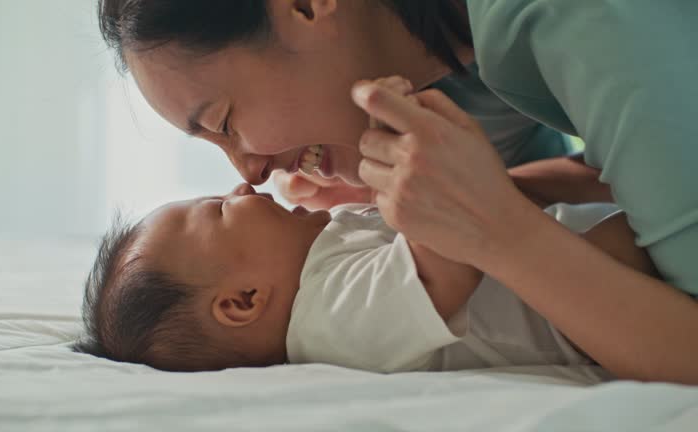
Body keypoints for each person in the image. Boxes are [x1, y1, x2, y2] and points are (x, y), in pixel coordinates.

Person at [95, 0, 698, 383]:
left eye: (225, 122)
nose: (250, 175)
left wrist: (490, 225)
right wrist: (445, 201)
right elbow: (591, 182)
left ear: (305, 6)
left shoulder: (577, 20)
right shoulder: (464, 71)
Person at [74, 183, 655, 374]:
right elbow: (439, 273)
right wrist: (409, 166)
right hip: (590, 310)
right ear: (244, 301)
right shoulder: (326, 324)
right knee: (628, 238)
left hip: (577, 258)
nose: (243, 188)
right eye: (220, 209)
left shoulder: (323, 261)